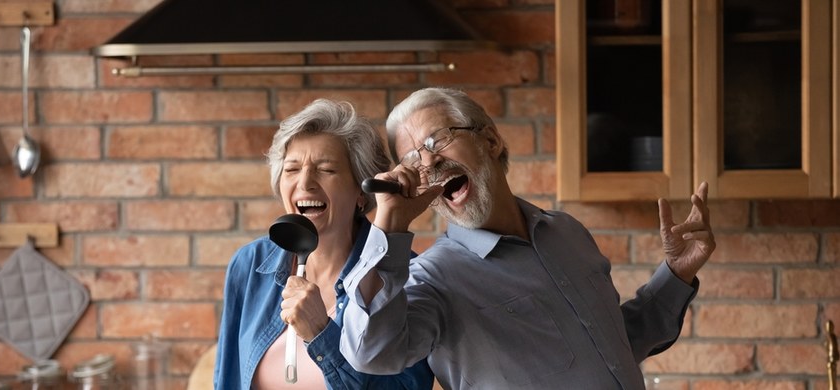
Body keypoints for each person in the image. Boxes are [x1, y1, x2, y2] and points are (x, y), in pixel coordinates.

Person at [338, 87, 717, 389]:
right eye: (411, 160)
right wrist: (389, 224)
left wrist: (676, 274)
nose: (429, 162)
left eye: (437, 141)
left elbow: (616, 345)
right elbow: (370, 352)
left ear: (490, 141)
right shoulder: (432, 279)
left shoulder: (567, 232)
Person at [213, 99, 434, 390]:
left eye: (326, 169)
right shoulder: (251, 263)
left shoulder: (404, 274)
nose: (305, 183)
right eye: (291, 170)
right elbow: (226, 378)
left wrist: (320, 333)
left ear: (360, 191)